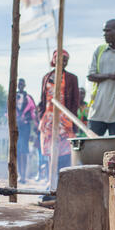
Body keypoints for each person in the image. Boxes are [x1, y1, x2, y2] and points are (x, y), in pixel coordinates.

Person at [37, 49, 80, 205]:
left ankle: (63, 184)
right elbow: (42, 100)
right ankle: (51, 184)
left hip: (65, 120)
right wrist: (41, 118)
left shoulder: (72, 79)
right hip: (49, 120)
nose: (64, 61)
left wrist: (73, 122)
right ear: (54, 60)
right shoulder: (46, 78)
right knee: (50, 154)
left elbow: (75, 102)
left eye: (66, 59)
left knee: (65, 153)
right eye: (60, 58)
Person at [87, 19, 115, 136]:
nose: (104, 34)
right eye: (104, 31)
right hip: (98, 110)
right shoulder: (99, 50)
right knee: (92, 148)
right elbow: (90, 75)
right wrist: (109, 75)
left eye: (108, 30)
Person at [15, 78, 36, 183]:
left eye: (22, 84)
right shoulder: (13, 96)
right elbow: (7, 111)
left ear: (25, 85)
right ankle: (19, 174)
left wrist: (25, 119)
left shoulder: (29, 98)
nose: (20, 85)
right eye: (19, 84)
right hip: (16, 127)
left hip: (25, 128)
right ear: (17, 85)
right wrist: (17, 119)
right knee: (17, 151)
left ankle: (23, 175)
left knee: (24, 150)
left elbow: (33, 113)